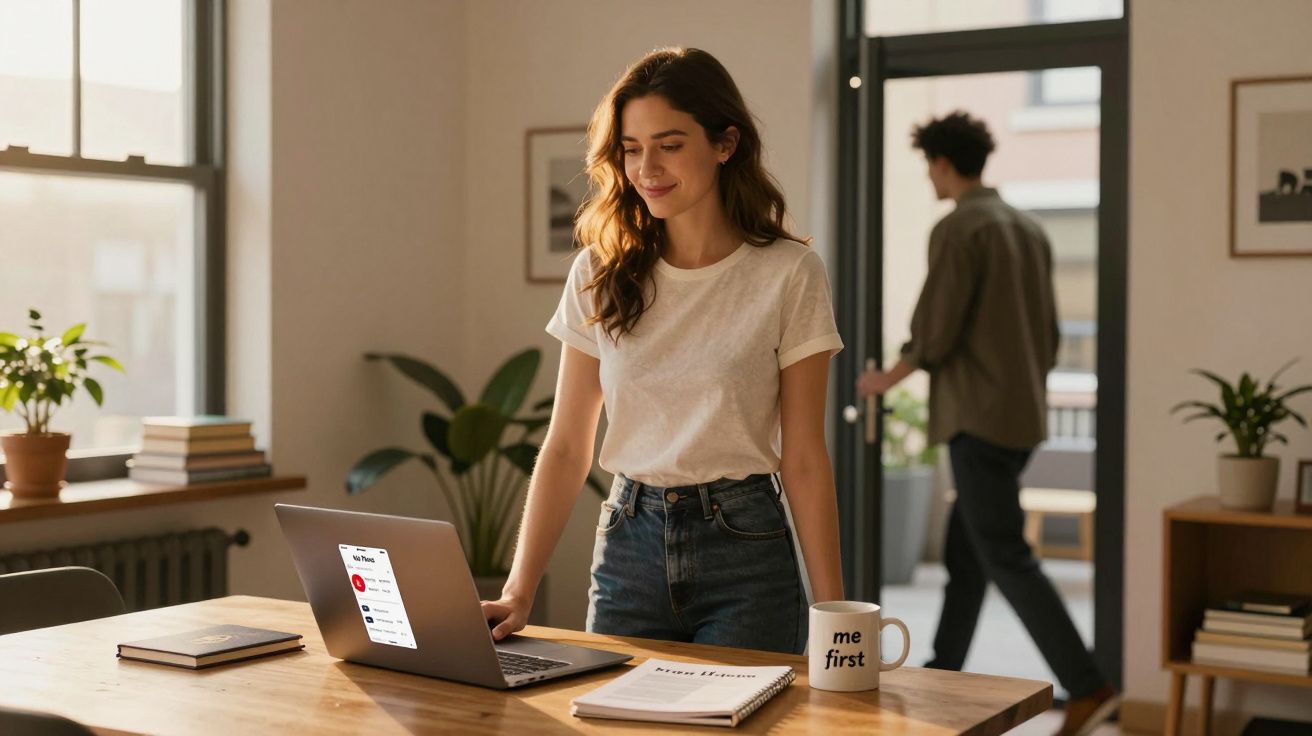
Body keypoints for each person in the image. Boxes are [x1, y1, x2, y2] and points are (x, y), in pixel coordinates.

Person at [480, 47, 846, 655]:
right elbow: (569, 443)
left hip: (746, 549)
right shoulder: (599, 271)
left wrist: (835, 614)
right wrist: (519, 589)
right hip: (628, 544)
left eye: (670, 144)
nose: (646, 167)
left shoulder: (789, 274)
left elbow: (804, 456)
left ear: (725, 144)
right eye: (631, 147)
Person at [856, 111, 1117, 735]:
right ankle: (943, 674)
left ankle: (1088, 685)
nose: (931, 180)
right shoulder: (1029, 229)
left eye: (930, 168)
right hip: (1022, 416)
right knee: (967, 557)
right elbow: (1050, 334)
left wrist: (888, 376)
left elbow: (937, 328)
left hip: (976, 419)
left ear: (942, 164)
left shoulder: (960, 228)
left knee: (1003, 553)